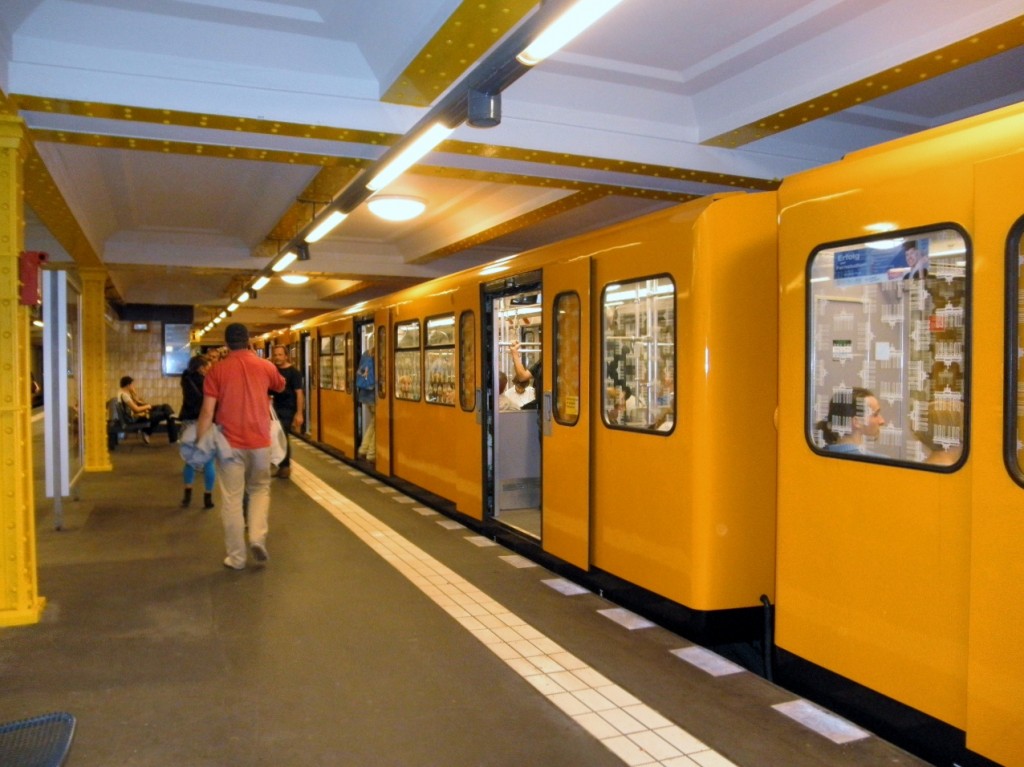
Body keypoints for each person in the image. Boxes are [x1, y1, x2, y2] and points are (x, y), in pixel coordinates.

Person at [197, 323, 285, 570]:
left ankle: (236, 557)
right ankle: (257, 536)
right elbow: (280, 385)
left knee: (232, 499)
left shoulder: (217, 371)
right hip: (259, 441)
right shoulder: (265, 366)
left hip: (229, 445)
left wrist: (200, 444)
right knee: (259, 489)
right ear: (248, 341)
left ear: (226, 344)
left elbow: (207, 411)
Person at [178, 355, 215, 509]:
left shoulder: (185, 379)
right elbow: (209, 406)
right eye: (207, 366)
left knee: (190, 460)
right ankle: (208, 497)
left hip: (188, 422)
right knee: (208, 461)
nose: (209, 369)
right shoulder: (209, 381)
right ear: (201, 367)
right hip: (205, 422)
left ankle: (187, 494)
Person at [816, 387, 886, 455]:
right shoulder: (878, 462)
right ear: (857, 422)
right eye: (875, 414)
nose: (882, 421)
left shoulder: (818, 456)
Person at [270, 344, 305, 479]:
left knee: (282, 435)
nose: (277, 357)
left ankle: (285, 467)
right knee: (275, 436)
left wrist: (299, 413)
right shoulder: (272, 370)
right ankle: (280, 465)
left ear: (286, 356)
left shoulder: (294, 373)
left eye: (280, 355)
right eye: (275, 355)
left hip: (288, 408)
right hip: (273, 408)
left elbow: (299, 393)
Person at [117, 375, 178, 444]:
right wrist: (147, 407)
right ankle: (173, 436)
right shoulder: (125, 395)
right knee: (165, 414)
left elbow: (139, 402)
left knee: (165, 407)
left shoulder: (123, 393)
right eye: (132, 384)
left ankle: (171, 416)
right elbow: (136, 409)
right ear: (128, 385)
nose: (133, 386)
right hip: (136, 417)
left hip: (138, 414)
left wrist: (134, 393)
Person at [356, 342, 376, 461]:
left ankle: (364, 449)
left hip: (365, 393)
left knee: (375, 423)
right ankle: (371, 453)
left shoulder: (366, 353)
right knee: (379, 425)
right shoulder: (379, 354)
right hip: (375, 394)